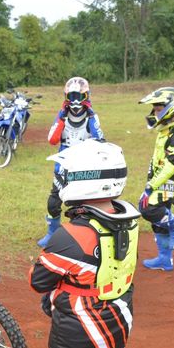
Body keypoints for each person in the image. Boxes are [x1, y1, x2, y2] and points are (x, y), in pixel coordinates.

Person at [29, 140, 139, 348]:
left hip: (78, 330)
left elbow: (39, 281)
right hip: (117, 319)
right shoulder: (127, 218)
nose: (60, 179)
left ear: (84, 179)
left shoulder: (71, 235)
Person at [37, 77, 105, 248]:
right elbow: (52, 140)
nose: (75, 101)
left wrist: (90, 117)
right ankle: (52, 232)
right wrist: (61, 117)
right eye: (72, 96)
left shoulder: (92, 117)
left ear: (86, 96)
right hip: (64, 163)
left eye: (79, 96)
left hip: (84, 163)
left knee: (83, 201)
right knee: (54, 200)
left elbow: (100, 139)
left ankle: (85, 234)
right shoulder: (62, 116)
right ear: (66, 97)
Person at [137, 86, 174, 271]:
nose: (155, 111)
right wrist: (150, 177)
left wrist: (150, 187)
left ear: (172, 106)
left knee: (148, 206)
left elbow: (170, 166)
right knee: (160, 214)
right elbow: (157, 158)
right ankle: (165, 259)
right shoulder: (166, 128)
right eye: (154, 108)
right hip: (162, 174)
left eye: (159, 107)